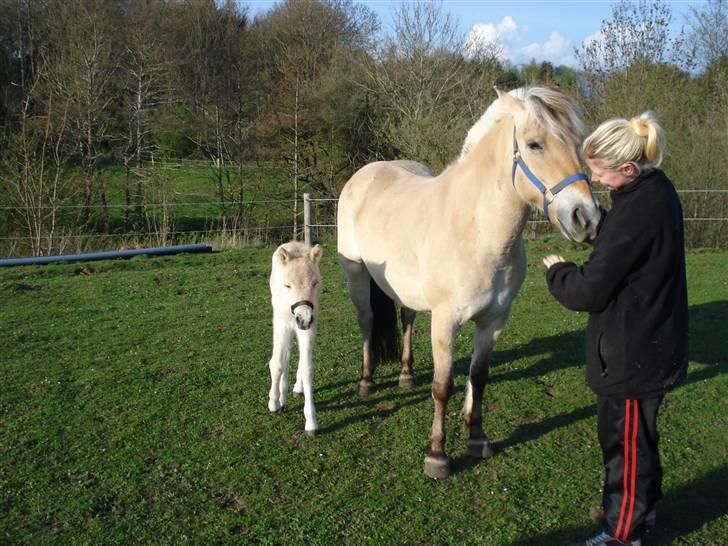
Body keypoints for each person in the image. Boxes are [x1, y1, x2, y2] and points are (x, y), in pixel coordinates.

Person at [542, 111, 688, 546]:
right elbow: (630, 249)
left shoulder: (635, 211)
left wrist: (559, 273)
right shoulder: (655, 190)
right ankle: (644, 510)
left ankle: (622, 532)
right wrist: (604, 226)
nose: (594, 178)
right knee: (640, 439)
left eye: (600, 171)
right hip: (651, 341)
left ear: (627, 169)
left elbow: (587, 291)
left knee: (624, 445)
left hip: (631, 353)